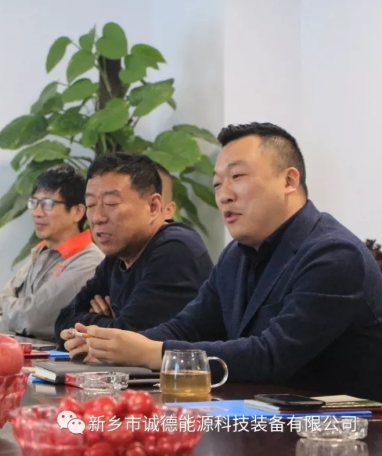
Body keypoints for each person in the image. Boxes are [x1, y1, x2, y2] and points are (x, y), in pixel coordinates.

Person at [62, 122, 382, 400]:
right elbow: (188, 326)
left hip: (343, 432)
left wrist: (150, 352)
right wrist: (112, 346)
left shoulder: (334, 255)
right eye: (217, 183)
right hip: (258, 416)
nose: (223, 195)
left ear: (289, 181)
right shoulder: (236, 254)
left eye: (237, 176)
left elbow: (272, 355)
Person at [53, 152, 214, 348]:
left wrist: (101, 325)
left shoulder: (176, 249)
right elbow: (63, 322)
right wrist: (109, 325)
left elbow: (128, 341)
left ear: (153, 206)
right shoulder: (117, 255)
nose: (97, 218)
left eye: (111, 204)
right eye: (91, 205)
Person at [0, 165, 104, 341]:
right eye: (33, 203)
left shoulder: (89, 262)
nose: (37, 213)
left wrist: (5, 307)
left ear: (77, 212)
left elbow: (33, 320)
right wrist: (13, 313)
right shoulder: (41, 252)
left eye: (47, 204)